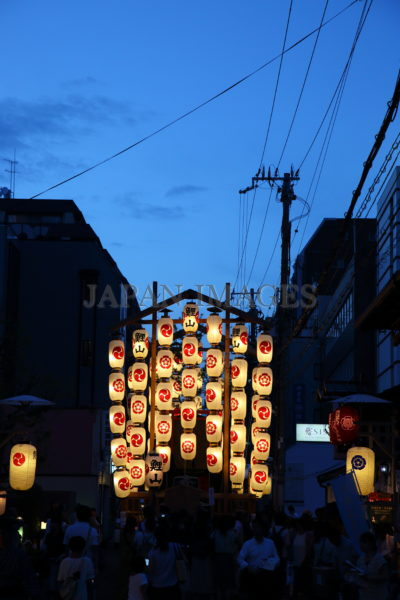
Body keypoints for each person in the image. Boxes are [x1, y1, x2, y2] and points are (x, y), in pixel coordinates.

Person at [237, 518, 280, 599]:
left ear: (263, 529)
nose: (255, 530)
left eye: (257, 527)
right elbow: (239, 559)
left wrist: (274, 564)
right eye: (254, 527)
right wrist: (247, 567)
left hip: (266, 576)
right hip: (252, 575)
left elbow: (276, 558)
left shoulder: (270, 543)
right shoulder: (248, 544)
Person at [345, 531, 390, 600]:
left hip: (378, 595)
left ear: (371, 544)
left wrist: (369, 577)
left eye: (364, 542)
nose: (361, 545)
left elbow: (385, 576)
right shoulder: (360, 559)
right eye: (361, 542)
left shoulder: (379, 559)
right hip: (364, 595)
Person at [148, 525, 181, 599]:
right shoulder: (175, 547)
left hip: (157, 586)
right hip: (173, 585)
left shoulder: (152, 552)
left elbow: (150, 570)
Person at [57, 536, 95, 600]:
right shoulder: (87, 561)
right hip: (82, 596)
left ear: (70, 548)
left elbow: (60, 580)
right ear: (83, 547)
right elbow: (90, 581)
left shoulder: (64, 562)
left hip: (67, 595)